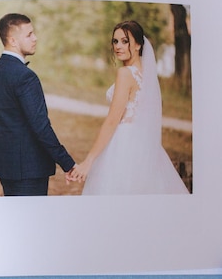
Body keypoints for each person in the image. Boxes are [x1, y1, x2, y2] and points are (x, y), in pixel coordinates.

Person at [69, 20, 189, 195]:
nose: (118, 46)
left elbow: (112, 121)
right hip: (146, 146)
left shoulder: (125, 73)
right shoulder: (147, 75)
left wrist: (88, 161)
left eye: (125, 41)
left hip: (123, 146)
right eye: (115, 41)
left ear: (138, 44)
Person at [0, 13, 76, 196]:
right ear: (13, 41)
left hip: (5, 165)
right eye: (29, 34)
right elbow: (41, 127)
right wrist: (67, 163)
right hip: (29, 168)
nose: (35, 38)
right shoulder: (26, 77)